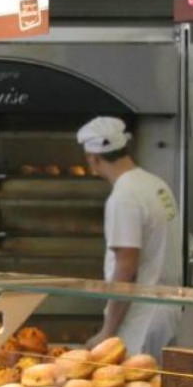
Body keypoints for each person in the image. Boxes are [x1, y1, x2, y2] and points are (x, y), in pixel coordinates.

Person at [76, 116, 182, 359]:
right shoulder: (155, 184)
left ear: (93, 159)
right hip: (167, 313)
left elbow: (126, 269)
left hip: (140, 321)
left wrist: (107, 332)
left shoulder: (124, 197)